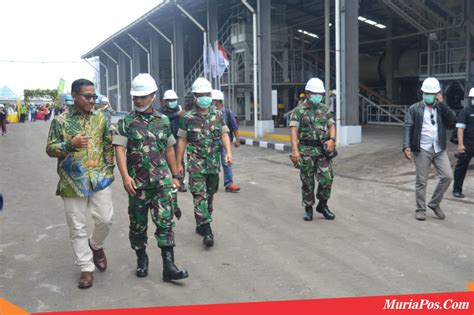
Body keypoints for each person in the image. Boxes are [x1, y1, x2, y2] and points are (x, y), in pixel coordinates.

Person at [113, 74, 188, 281]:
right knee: (138, 225)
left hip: (162, 182)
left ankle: (168, 266)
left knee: (165, 223)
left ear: (153, 96)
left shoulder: (163, 121)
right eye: (136, 97)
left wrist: (176, 176)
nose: (138, 100)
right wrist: (125, 176)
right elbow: (119, 149)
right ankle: (142, 258)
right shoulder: (126, 122)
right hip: (137, 184)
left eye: (143, 96)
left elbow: (170, 149)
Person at [46, 79, 115, 289]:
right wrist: (70, 144)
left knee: (106, 219)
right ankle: (86, 267)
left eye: (94, 96)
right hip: (72, 182)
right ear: (74, 96)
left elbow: (107, 146)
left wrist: (109, 170)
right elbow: (50, 149)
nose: (92, 101)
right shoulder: (60, 121)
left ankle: (96, 245)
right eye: (87, 96)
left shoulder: (101, 119)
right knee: (77, 227)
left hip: (99, 178)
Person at [176, 78, 233, 247]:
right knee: (199, 194)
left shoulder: (218, 115)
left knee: (210, 194)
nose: (204, 98)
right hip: (196, 164)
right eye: (200, 95)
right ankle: (207, 230)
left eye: (206, 95)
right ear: (194, 97)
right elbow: (182, 141)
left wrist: (229, 153)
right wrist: (178, 163)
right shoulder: (187, 117)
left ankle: (201, 220)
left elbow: (224, 134)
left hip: (213, 164)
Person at [403, 77, 456, 221]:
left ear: (438, 94)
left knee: (447, 176)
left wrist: (443, 104)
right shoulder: (414, 108)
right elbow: (408, 127)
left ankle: (434, 203)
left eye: (432, 93)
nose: (429, 96)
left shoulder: (441, 108)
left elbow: (453, 122)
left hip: (438, 148)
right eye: (426, 93)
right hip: (421, 149)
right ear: (422, 93)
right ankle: (420, 209)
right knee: (421, 181)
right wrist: (407, 146)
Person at [289, 78, 336, 221]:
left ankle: (323, 205)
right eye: (315, 93)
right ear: (308, 93)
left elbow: (331, 125)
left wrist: (332, 140)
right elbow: (293, 129)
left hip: (322, 151)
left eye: (320, 93)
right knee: (307, 181)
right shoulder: (299, 111)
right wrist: (295, 150)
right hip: (306, 150)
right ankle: (308, 208)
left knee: (327, 179)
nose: (318, 96)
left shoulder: (324, 108)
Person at [211, 89, 241, 192]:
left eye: (213, 100)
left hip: (224, 141)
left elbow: (234, 127)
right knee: (212, 163)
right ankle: (211, 183)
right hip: (212, 142)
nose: (211, 102)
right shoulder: (209, 113)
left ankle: (229, 184)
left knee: (226, 162)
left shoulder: (228, 112)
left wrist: (238, 140)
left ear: (218, 101)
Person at [158, 89, 187, 192]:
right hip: (165, 141)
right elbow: (164, 119)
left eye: (174, 99)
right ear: (165, 101)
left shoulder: (178, 109)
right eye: (170, 100)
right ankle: (165, 181)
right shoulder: (160, 112)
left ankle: (180, 181)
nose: (172, 102)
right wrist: (177, 115)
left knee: (179, 161)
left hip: (177, 139)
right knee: (165, 161)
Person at [452, 87, 474, 198]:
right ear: (470, 99)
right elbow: (460, 129)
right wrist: (460, 145)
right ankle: (457, 189)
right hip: (467, 144)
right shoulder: (465, 112)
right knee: (461, 167)